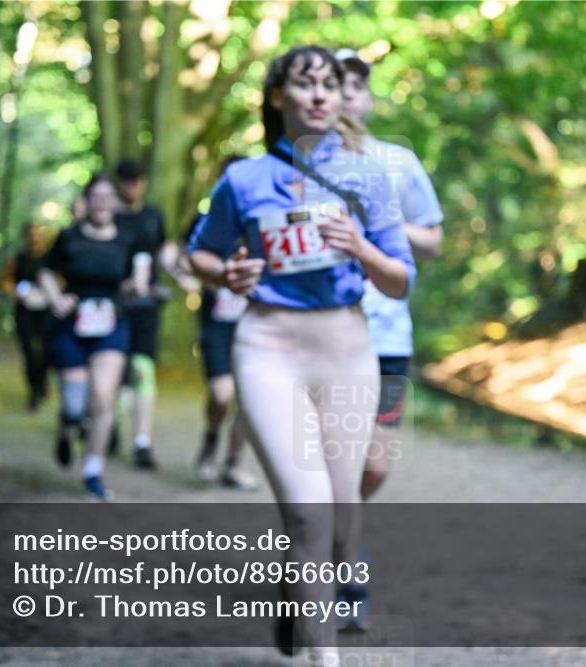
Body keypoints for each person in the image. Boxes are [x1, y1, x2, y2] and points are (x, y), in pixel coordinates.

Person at [189, 45, 414, 665]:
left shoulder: (369, 177)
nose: (318, 95)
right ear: (277, 97)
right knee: (309, 514)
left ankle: (297, 595)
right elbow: (199, 254)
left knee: (341, 521)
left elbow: (400, 280)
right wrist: (226, 273)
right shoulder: (244, 179)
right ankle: (324, 658)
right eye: (304, 83)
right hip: (268, 347)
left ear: (340, 99)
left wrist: (361, 248)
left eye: (328, 85)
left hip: (347, 349)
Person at [334, 48, 445, 631]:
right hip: (322, 336)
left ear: (369, 98)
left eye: (358, 84)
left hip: (387, 337)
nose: (347, 94)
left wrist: (376, 222)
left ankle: (325, 539)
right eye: (336, 83)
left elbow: (432, 242)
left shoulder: (399, 163)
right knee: (331, 462)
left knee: (373, 467)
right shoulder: (294, 164)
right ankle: (344, 573)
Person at [38, 173, 149, 499]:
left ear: (115, 202)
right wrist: (56, 299)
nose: (101, 203)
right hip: (72, 325)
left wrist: (135, 287)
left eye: (107, 197)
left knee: (103, 397)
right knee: (75, 406)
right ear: (87, 201)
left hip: (111, 324)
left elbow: (137, 276)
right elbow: (46, 272)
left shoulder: (128, 239)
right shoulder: (69, 237)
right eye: (96, 197)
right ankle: (66, 426)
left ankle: (93, 471)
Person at [183, 212, 259, 491]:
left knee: (250, 399)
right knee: (222, 393)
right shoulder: (212, 221)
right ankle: (212, 435)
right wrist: (201, 276)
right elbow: (185, 253)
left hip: (255, 325)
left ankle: (234, 464)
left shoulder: (265, 219)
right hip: (217, 326)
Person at [113, 158, 169, 470]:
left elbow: (164, 251)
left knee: (142, 369)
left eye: (138, 180)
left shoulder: (153, 215)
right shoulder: (109, 217)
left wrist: (181, 276)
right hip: (114, 308)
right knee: (114, 373)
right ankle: (109, 424)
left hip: (146, 307)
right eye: (128, 180)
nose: (133, 186)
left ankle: (142, 442)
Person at [0, 221, 52, 411]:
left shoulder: (50, 258)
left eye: (37, 233)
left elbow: (62, 280)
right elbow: (5, 282)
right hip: (25, 312)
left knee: (46, 352)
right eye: (31, 233)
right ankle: (34, 392)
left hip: (46, 311)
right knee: (29, 352)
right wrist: (16, 293)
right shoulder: (19, 258)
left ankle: (42, 382)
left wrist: (52, 293)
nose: (34, 237)